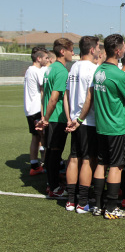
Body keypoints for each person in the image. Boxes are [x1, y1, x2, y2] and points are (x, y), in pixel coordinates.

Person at [73, 34, 125, 219]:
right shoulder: (120, 75)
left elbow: (91, 97)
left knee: (101, 163)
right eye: (123, 47)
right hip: (116, 127)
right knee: (116, 166)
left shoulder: (98, 71)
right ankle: (111, 207)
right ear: (118, 51)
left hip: (100, 126)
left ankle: (98, 205)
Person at [63, 36, 100, 212]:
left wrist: (70, 118)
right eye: (98, 47)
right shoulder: (93, 69)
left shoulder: (73, 68)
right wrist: (78, 119)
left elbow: (66, 94)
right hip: (87, 121)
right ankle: (82, 202)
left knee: (74, 157)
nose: (99, 50)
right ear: (92, 50)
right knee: (86, 160)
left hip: (74, 120)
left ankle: (70, 200)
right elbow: (90, 98)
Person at [36, 38, 74, 198]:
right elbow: (53, 97)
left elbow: (43, 94)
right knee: (55, 153)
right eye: (71, 50)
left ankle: (51, 183)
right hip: (56, 118)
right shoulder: (61, 71)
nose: (73, 53)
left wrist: (43, 116)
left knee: (51, 152)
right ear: (62, 51)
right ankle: (54, 187)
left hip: (50, 117)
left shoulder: (50, 68)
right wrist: (47, 118)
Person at [23, 47, 48, 176]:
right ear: (39, 58)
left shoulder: (30, 70)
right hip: (36, 109)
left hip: (30, 109)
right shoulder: (35, 71)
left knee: (36, 137)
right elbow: (45, 84)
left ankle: (36, 164)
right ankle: (43, 163)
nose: (47, 60)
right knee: (42, 136)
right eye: (45, 58)